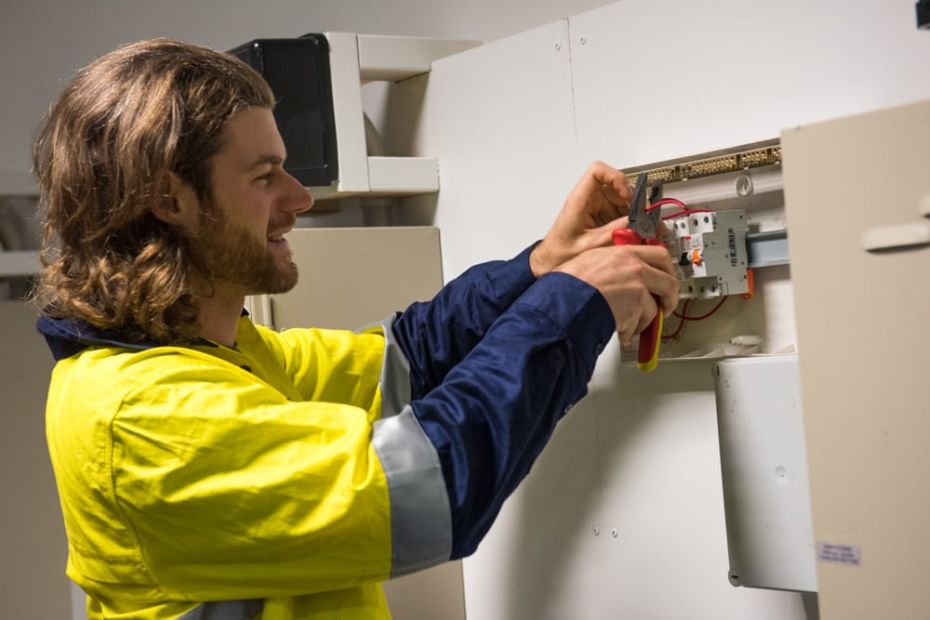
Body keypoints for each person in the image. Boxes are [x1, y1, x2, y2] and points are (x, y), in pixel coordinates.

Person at [33, 39, 679, 619]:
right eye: (265, 176)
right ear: (170, 199)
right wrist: (576, 302)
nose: (300, 197)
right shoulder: (144, 418)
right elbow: (435, 485)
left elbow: (409, 358)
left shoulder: (222, 357)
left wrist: (542, 270)